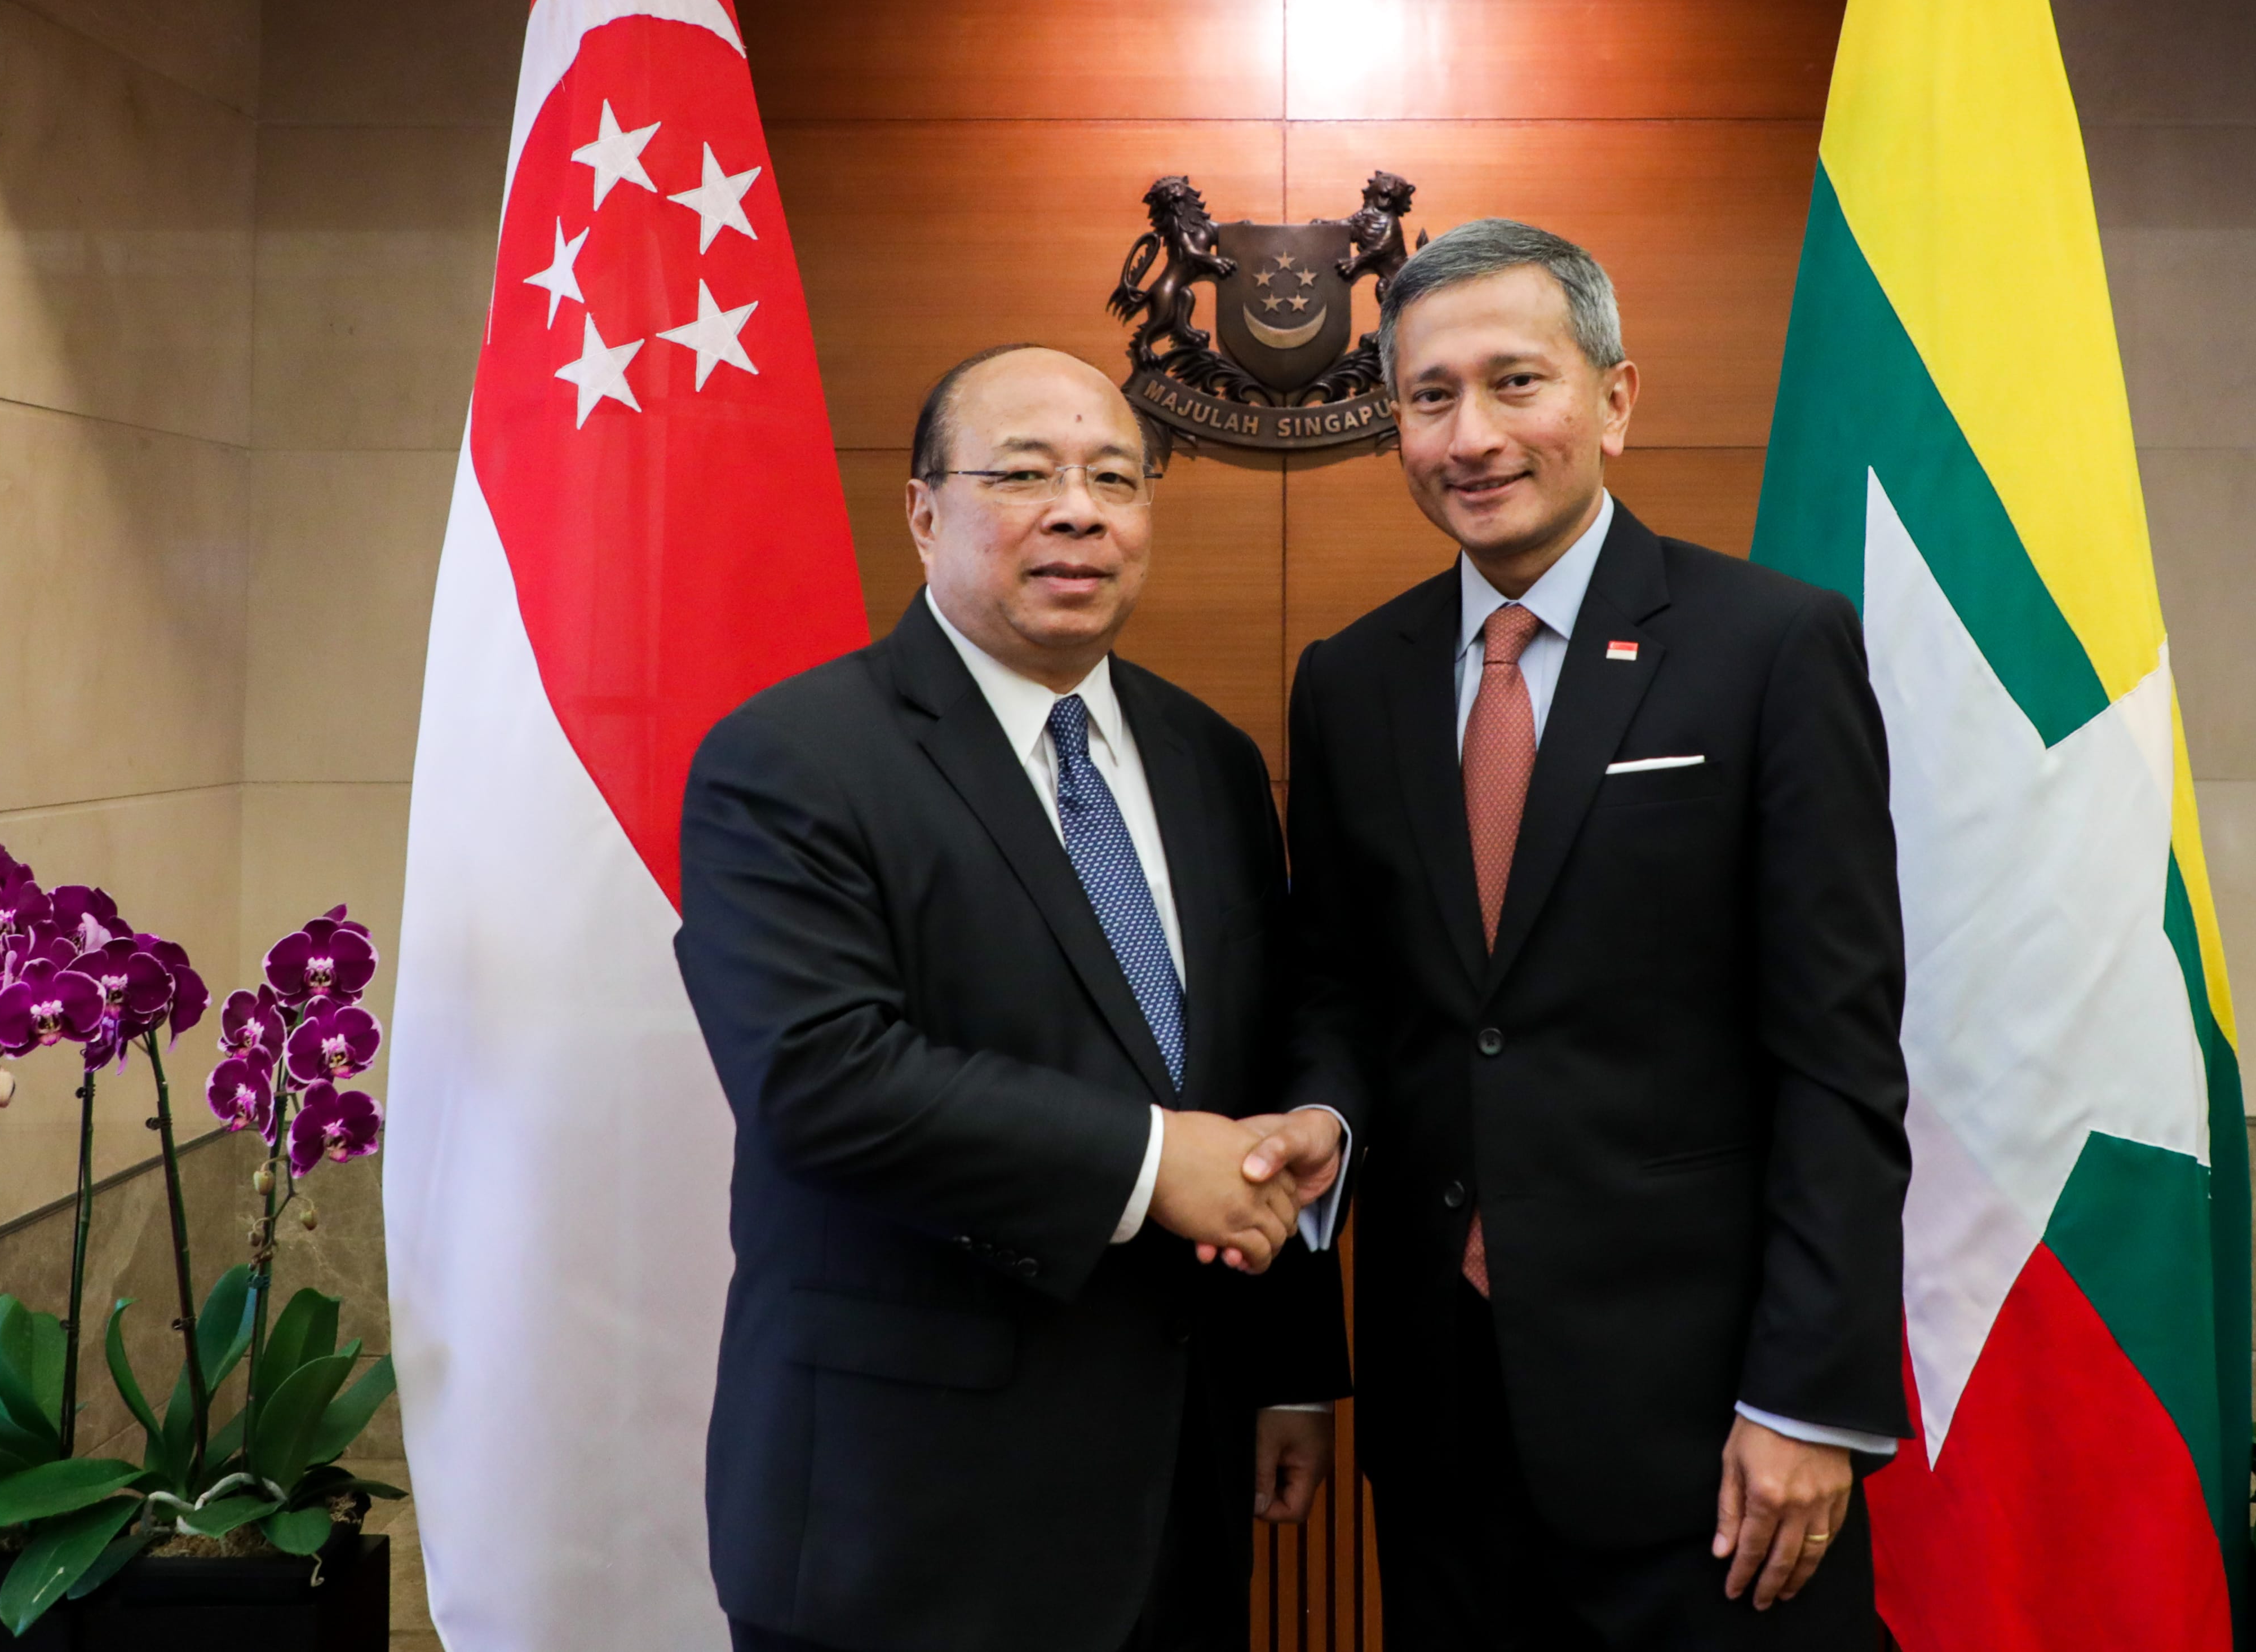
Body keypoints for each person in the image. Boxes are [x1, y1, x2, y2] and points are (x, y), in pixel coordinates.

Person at [1244, 221, 1912, 1647]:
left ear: (1613, 400)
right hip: (1439, 1418)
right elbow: (1342, 996)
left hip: (1709, 1426)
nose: (1469, 435)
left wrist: (1805, 1398)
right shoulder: (1351, 679)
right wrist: (1318, 1120)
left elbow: (1839, 1055)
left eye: (1515, 383)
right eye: (1429, 397)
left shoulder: (1770, 648)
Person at [676, 344, 1349, 1652]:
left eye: (1116, 476)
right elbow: (819, 1081)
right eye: (1024, 474)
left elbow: (1249, 1071)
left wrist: (1289, 1371)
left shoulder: (1210, 759)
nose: (1080, 510)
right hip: (910, 1509)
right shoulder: (792, 758)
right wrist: (1156, 1166)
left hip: (1178, 1489)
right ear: (923, 511)